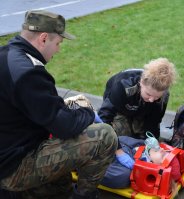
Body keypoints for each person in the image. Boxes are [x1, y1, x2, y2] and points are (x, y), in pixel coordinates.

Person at [0, 10, 118, 199]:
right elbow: (65, 126)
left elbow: (31, 106)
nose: (58, 49)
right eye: (58, 43)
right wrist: (86, 110)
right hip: (14, 168)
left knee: (61, 185)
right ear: (44, 38)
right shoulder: (29, 72)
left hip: (9, 149)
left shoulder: (6, 55)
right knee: (104, 136)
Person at [98, 58, 176, 139]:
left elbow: (154, 123)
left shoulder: (164, 96)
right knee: (122, 137)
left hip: (142, 111)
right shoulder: (122, 86)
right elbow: (105, 115)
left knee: (140, 139)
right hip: (119, 109)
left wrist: (150, 145)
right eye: (148, 94)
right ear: (141, 82)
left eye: (157, 97)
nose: (152, 100)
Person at [100, 133, 181, 197]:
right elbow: (119, 138)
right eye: (167, 151)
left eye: (163, 156)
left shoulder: (123, 175)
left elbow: (93, 170)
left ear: (155, 167)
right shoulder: (141, 144)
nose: (162, 150)